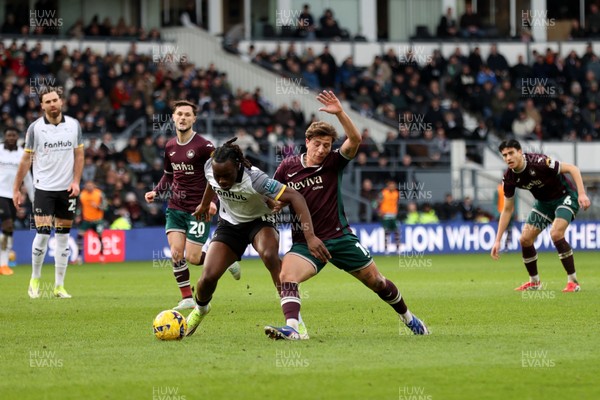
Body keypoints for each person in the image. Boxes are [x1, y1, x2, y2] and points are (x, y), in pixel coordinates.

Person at [264, 91, 429, 340]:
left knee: (377, 282)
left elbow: (355, 139)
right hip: (306, 242)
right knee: (286, 275)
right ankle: (294, 329)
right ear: (307, 142)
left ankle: (409, 318)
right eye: (317, 144)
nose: (321, 150)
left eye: (327, 145)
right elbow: (273, 196)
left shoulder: (333, 162)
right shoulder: (288, 167)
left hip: (340, 238)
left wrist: (340, 112)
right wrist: (274, 205)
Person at [184, 138, 329, 337]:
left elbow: (296, 197)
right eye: (219, 176)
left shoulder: (256, 179)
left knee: (270, 255)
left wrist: (310, 236)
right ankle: (201, 309)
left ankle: (295, 322)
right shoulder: (211, 166)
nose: (222, 181)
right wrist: (204, 204)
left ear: (237, 166)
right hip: (230, 224)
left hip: (260, 221)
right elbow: (211, 182)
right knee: (207, 278)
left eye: (226, 176)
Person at [144, 100, 240, 311]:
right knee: (177, 253)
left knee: (193, 257)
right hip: (175, 206)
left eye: (187, 114)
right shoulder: (169, 146)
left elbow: (218, 176)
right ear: (173, 117)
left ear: (194, 119)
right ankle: (187, 297)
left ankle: (225, 261)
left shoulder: (204, 147)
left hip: (199, 209)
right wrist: (156, 191)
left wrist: (213, 202)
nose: (183, 118)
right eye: (179, 114)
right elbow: (169, 174)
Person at [491, 139, 591, 292]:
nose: (508, 158)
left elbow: (573, 168)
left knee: (556, 233)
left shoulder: (540, 162)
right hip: (543, 204)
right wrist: (498, 240)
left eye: (511, 153)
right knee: (525, 239)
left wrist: (582, 194)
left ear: (520, 152)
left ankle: (573, 281)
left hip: (565, 197)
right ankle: (534, 282)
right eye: (504, 155)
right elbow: (507, 210)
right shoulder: (509, 178)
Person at [12, 87, 84, 299]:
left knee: (63, 237)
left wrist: (77, 181)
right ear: (42, 105)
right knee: (43, 234)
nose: (52, 104)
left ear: (60, 102)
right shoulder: (35, 129)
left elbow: (79, 155)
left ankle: (59, 286)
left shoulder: (73, 125)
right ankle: (35, 279)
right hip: (43, 188)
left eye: (55, 100)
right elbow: (26, 159)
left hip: (67, 190)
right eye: (48, 101)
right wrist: (16, 188)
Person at [0, 127, 34, 275]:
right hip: (0, 194)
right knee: (7, 223)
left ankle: (3, 264)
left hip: (13, 196)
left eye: (14, 135)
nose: (11, 138)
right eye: (9, 135)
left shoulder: (22, 154)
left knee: (9, 230)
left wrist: (34, 200)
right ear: (5, 136)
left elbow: (27, 178)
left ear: (18, 137)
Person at [77, 180, 106, 263]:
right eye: (87, 185)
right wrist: (78, 216)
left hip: (98, 220)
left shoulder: (99, 194)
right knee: (80, 236)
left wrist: (98, 206)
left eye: (91, 185)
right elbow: (79, 207)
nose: (89, 187)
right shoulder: (82, 195)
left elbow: (106, 206)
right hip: (87, 220)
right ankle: (79, 257)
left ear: (94, 185)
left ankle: (102, 256)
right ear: (85, 186)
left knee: (100, 237)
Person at [378, 180, 400, 254]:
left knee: (396, 231)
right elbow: (377, 202)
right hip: (386, 215)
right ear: (388, 186)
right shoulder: (383, 193)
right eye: (391, 185)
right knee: (387, 232)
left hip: (393, 214)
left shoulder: (396, 193)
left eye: (393, 185)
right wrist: (379, 211)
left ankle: (398, 248)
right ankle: (386, 248)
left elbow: (396, 203)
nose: (392, 187)